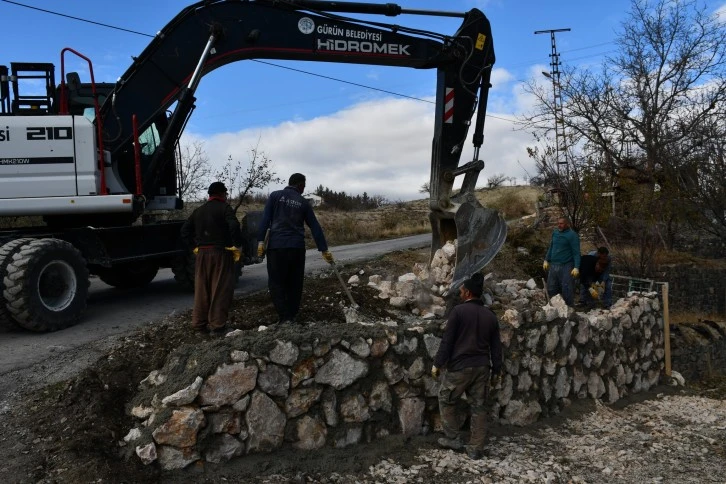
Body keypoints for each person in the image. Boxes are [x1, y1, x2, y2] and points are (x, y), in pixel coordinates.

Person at [432, 272, 503, 460]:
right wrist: (497, 370)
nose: (460, 293)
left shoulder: (458, 312)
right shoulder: (490, 316)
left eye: (462, 291)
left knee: (446, 398)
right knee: (479, 407)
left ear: (468, 293)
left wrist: (437, 363)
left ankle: (453, 438)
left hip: (460, 367)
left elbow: (447, 341)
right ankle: (476, 447)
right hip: (482, 367)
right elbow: (496, 347)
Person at [257, 173, 333, 324]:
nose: (304, 189)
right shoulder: (303, 202)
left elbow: (265, 220)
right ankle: (292, 315)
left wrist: (260, 241)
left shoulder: (275, 196)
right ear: (300, 185)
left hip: (276, 247)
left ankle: (285, 318)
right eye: (304, 186)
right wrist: (324, 249)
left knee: (276, 282)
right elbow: (315, 226)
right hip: (296, 248)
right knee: (295, 283)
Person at [180, 181, 243, 334]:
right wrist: (237, 245)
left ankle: (199, 324)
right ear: (221, 193)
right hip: (220, 253)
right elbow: (234, 226)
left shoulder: (199, 210)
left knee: (202, 289)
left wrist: (194, 247)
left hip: (201, 255)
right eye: (225, 193)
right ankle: (217, 325)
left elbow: (184, 231)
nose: (226, 196)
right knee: (220, 289)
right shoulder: (225, 208)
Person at [543, 216, 581, 306]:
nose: (559, 225)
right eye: (558, 223)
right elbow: (551, 247)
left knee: (567, 288)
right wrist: (546, 259)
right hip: (553, 265)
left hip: (566, 266)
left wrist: (576, 267)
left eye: (561, 223)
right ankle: (553, 307)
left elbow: (576, 253)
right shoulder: (555, 233)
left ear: (567, 224)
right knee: (551, 287)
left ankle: (569, 309)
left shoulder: (572, 235)